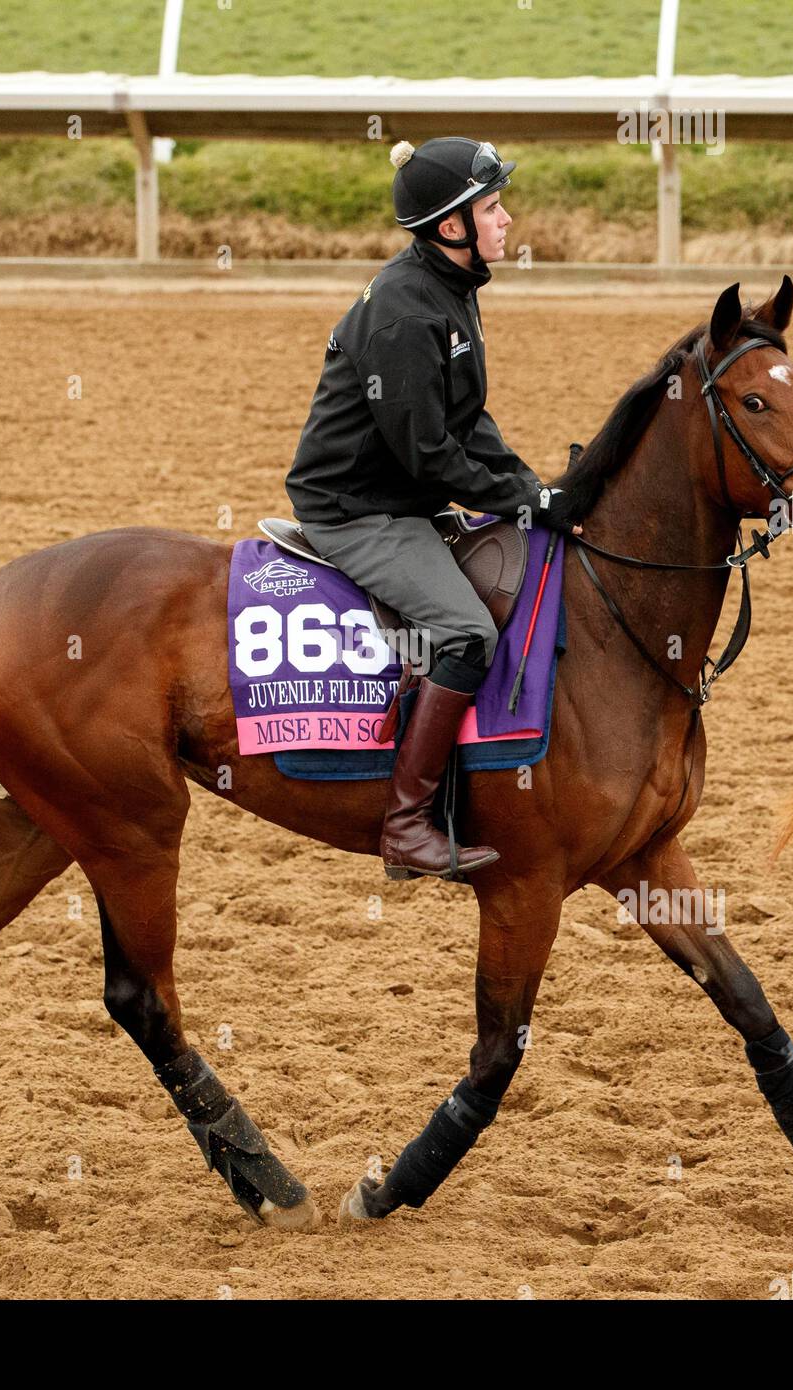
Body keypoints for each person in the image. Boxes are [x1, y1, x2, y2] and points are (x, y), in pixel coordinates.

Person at [286, 136, 581, 881]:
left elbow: (468, 423)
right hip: (357, 511)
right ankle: (407, 824)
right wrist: (526, 498)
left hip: (399, 495)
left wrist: (533, 489)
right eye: (492, 207)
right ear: (452, 227)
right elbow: (428, 455)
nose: (507, 219)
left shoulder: (449, 289)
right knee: (467, 631)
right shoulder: (405, 314)